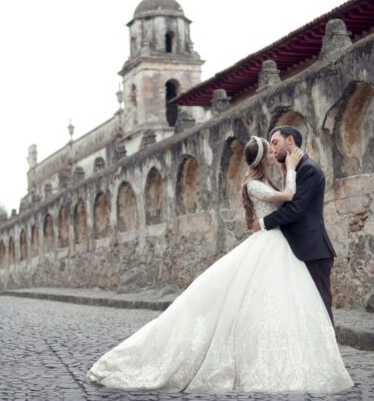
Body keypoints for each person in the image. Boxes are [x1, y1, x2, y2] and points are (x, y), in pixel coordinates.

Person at [86, 136, 353, 394]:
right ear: (262, 159)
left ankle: (296, 355)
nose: (274, 152)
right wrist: (289, 172)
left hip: (280, 245)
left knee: (281, 304)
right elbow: (289, 198)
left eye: (275, 144)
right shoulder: (257, 184)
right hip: (270, 244)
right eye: (270, 148)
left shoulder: (280, 176)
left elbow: (291, 207)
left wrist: (269, 207)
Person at [253, 125, 337, 324]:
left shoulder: (308, 169)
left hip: (313, 251)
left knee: (320, 307)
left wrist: (262, 223)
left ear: (289, 140)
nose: (272, 149)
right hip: (299, 250)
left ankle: (327, 353)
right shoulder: (293, 170)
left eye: (275, 142)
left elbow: (295, 210)